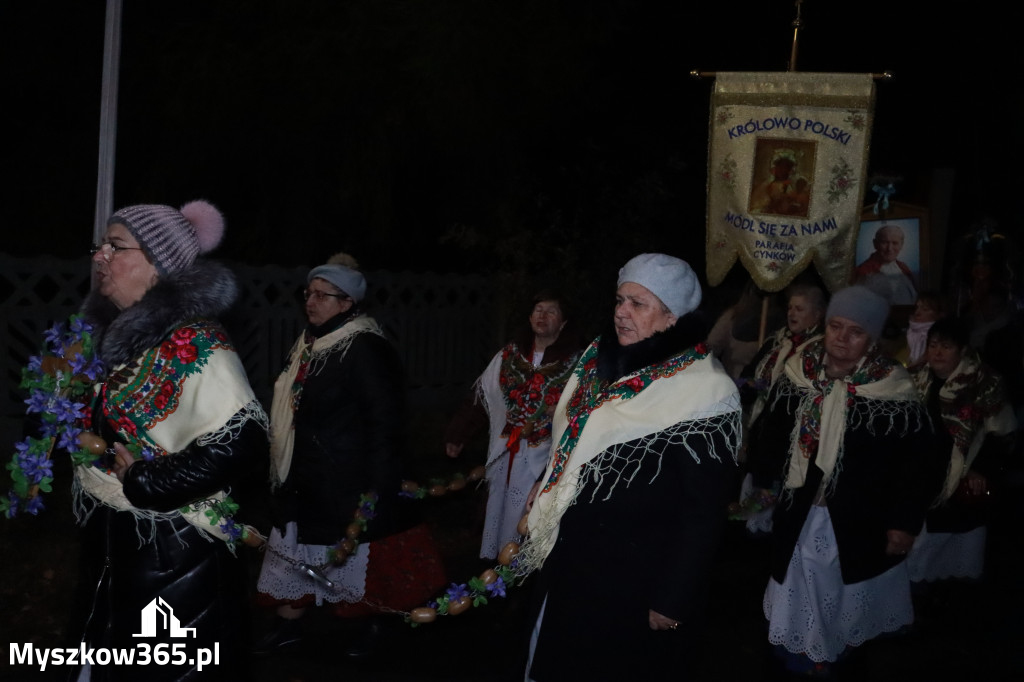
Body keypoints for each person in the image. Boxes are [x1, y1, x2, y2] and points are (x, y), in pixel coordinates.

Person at [68, 200, 271, 681]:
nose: (100, 257)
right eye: (100, 245)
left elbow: (244, 441)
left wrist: (147, 479)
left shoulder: (199, 345)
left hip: (178, 563)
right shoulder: (110, 339)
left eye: (115, 246)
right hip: (118, 550)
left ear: (158, 264)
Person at [522, 253, 742, 681]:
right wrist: (547, 481)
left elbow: (704, 510)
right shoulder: (597, 361)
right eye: (620, 299)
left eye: (638, 304)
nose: (621, 312)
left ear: (672, 316)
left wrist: (673, 598)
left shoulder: (706, 392)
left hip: (634, 574)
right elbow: (573, 440)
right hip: (572, 556)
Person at [745, 285, 947, 677]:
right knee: (799, 588)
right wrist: (764, 485)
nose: (840, 337)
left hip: (858, 520)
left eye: (854, 331)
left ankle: (835, 658)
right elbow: (770, 434)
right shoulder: (799, 374)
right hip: (799, 511)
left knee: (842, 595)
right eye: (835, 326)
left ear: (871, 338)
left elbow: (919, 464)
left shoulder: (893, 389)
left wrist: (903, 522)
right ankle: (800, 659)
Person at [253, 253, 445, 659]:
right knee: (294, 550)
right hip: (307, 476)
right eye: (309, 292)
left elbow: (385, 419)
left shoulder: (365, 346)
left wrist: (379, 482)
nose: (312, 301)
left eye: (324, 295)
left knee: (360, 556)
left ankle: (375, 627)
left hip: (348, 477)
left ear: (348, 304)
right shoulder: (309, 344)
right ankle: (289, 625)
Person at [443, 291, 583, 560]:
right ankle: (494, 572)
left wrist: (562, 410)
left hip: (543, 459)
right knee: (497, 510)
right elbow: (483, 397)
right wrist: (458, 433)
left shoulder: (576, 364)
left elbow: (584, 411)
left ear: (563, 323)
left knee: (528, 518)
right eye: (538, 310)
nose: (542, 316)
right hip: (505, 452)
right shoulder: (509, 355)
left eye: (551, 311)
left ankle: (523, 575)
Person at [906, 318, 1017, 589]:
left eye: (946, 347)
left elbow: (1002, 432)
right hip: (924, 469)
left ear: (962, 350)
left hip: (965, 467)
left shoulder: (984, 381)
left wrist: (981, 468)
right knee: (920, 540)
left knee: (960, 537)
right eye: (932, 346)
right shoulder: (918, 376)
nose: (937, 353)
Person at [731, 283, 827, 534]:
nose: (792, 313)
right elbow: (750, 376)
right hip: (763, 427)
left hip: (793, 433)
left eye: (800, 309)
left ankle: (769, 531)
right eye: (790, 308)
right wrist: (743, 386)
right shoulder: (777, 341)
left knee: (775, 488)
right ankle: (750, 528)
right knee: (758, 483)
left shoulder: (821, 350)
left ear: (817, 315)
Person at [854, 223, 918, 305]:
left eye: (895, 243)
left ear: (901, 245)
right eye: (884, 243)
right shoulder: (863, 271)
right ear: (875, 244)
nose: (889, 249)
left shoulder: (903, 268)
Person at [749, 148, 811, 217]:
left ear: (790, 169)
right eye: (780, 167)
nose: (783, 170)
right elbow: (756, 208)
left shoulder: (795, 185)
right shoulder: (765, 186)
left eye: (787, 167)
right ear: (775, 168)